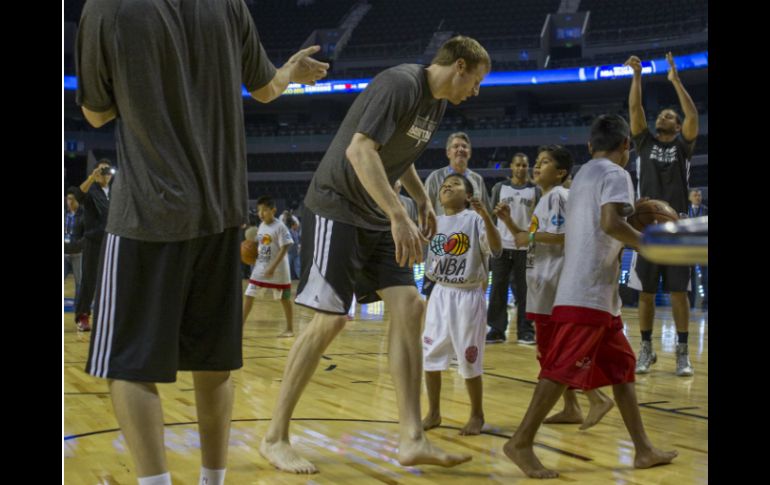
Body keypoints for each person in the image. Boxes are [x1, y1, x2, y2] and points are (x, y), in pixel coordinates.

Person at [76, 0, 329, 482]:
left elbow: (94, 112)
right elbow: (267, 89)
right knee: (214, 367)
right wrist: (290, 71)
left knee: (128, 367)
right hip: (221, 209)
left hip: (148, 215)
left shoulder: (106, 7)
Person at [259, 35, 490, 474]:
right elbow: (360, 149)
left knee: (410, 305)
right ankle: (275, 437)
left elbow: (397, 156)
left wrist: (421, 200)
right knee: (330, 319)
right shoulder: (400, 84)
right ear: (459, 66)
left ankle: (412, 438)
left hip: (375, 213)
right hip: (337, 206)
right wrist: (398, 216)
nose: (475, 91)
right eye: (476, 81)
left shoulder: (435, 103)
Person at [503, 114, 678, 478]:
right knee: (560, 369)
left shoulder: (585, 173)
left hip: (593, 290)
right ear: (626, 146)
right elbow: (612, 223)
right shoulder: (616, 174)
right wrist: (649, 243)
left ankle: (643, 450)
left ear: (589, 145)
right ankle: (521, 441)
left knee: (622, 368)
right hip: (588, 290)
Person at [495, 145, 613, 430]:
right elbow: (525, 239)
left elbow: (562, 236)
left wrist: (530, 235)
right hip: (542, 282)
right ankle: (571, 407)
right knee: (547, 350)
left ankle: (596, 397)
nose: (537, 166)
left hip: (554, 283)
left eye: (544, 162)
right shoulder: (547, 198)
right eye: (537, 161)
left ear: (560, 172)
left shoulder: (559, 196)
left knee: (554, 352)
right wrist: (510, 222)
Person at [625, 53, 698, 376]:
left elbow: (693, 115)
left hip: (679, 227)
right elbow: (634, 110)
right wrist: (637, 77)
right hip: (648, 229)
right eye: (663, 114)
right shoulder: (643, 142)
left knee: (680, 294)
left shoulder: (683, 146)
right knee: (646, 295)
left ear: (678, 125)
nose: (664, 117)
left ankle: (682, 352)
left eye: (670, 115)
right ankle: (646, 349)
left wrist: (676, 81)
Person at [421, 174, 501, 436]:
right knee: (430, 356)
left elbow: (497, 249)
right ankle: (433, 413)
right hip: (440, 293)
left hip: (467, 295)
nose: (447, 186)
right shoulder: (435, 221)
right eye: (445, 184)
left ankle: (477, 414)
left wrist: (487, 217)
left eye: (455, 184)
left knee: (469, 357)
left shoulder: (475, 219)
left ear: (468, 196)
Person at [487, 153, 539, 344]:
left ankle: (525, 330)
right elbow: (492, 218)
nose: (521, 168)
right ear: (511, 166)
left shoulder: (535, 190)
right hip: (502, 246)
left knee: (525, 291)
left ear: (528, 167)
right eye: (517, 165)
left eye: (524, 165)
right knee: (498, 288)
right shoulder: (500, 188)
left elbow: (538, 219)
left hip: (525, 247)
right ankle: (496, 329)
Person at [243, 196, 295, 337]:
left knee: (285, 299)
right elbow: (262, 245)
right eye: (259, 210)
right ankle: (239, 327)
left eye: (265, 210)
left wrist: (272, 267)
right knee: (249, 294)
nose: (261, 213)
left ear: (273, 210)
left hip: (279, 270)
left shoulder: (280, 226)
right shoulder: (261, 226)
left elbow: (286, 247)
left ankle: (290, 329)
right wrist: (251, 252)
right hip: (261, 267)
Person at [72, 159, 113, 332]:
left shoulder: (116, 191)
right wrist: (91, 177)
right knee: (89, 280)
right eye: (101, 171)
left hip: (112, 240)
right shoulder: (91, 190)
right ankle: (82, 316)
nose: (105, 174)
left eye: (107, 171)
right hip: (93, 241)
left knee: (111, 281)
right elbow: (78, 195)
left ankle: (110, 316)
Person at [424, 132, 491, 215]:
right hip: (445, 227)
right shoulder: (435, 178)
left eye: (464, 146)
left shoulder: (477, 179)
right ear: (448, 153)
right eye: (456, 146)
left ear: (469, 153)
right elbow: (426, 210)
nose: (460, 149)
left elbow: (486, 211)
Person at [687, 188, 708, 309]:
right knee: (690, 278)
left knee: (706, 278)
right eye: (695, 195)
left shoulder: (706, 210)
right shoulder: (685, 211)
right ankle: (690, 303)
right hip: (689, 249)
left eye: (699, 195)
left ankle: (706, 304)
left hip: (703, 248)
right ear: (690, 198)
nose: (698, 197)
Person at [64, 187, 85, 305]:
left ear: (78, 200)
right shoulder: (64, 213)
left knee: (79, 283)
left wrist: (77, 245)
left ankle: (78, 307)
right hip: (64, 254)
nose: (69, 202)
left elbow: (86, 235)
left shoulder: (84, 215)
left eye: (72, 199)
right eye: (68, 199)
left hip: (77, 254)